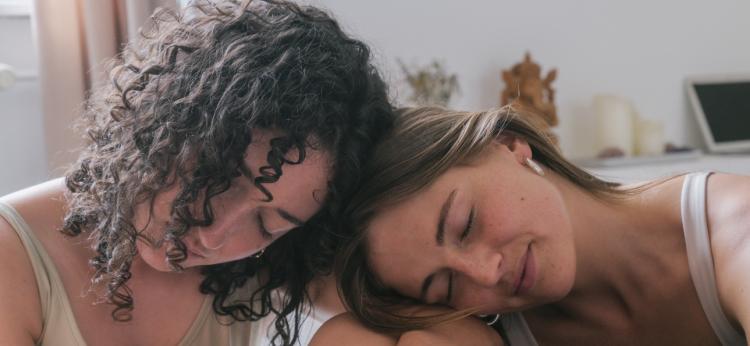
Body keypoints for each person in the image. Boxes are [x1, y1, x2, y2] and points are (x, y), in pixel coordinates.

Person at [0, 0, 394, 345]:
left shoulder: (253, 270)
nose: (214, 233)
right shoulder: (12, 256)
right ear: (170, 123)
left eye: (267, 224)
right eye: (220, 176)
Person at [311, 106, 749, 345]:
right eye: (445, 287)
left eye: (465, 225)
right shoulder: (478, 328)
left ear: (507, 144)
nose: (484, 275)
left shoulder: (734, 226)